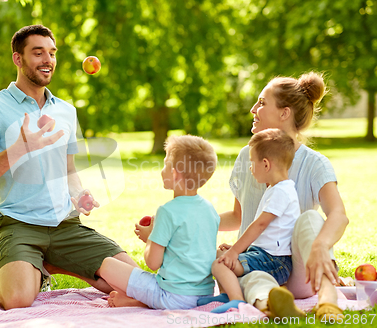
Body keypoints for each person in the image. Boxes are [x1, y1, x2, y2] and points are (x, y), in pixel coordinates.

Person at [0, 25, 137, 310]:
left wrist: (80, 193)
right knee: (18, 300)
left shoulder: (66, 111)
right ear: (17, 59)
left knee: (136, 282)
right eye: (38, 53)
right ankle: (33, 266)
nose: (48, 60)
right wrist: (20, 148)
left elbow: (68, 169)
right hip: (18, 224)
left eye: (52, 53)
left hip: (65, 225)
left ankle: (51, 263)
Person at [215, 72, 348, 320]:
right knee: (247, 276)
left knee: (310, 219)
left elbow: (339, 215)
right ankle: (273, 304)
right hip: (258, 265)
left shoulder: (314, 163)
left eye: (262, 102)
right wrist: (186, 219)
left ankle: (328, 302)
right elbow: (238, 216)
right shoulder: (247, 156)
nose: (253, 109)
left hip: (300, 272)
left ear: (284, 113)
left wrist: (320, 246)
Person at [97, 135, 220, 309]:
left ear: (175, 173)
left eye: (165, 164)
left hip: (173, 297)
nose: (162, 170)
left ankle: (139, 302)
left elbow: (153, 263)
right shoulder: (210, 209)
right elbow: (187, 250)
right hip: (204, 294)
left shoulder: (167, 211)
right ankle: (140, 301)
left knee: (107, 265)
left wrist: (151, 237)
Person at [209, 129, 300, 314]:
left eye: (252, 162)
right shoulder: (277, 189)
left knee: (219, 264)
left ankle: (236, 301)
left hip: (274, 261)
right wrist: (235, 249)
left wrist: (235, 251)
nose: (250, 168)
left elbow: (259, 225)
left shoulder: (281, 192)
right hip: (264, 256)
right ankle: (227, 294)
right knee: (220, 254)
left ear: (265, 164)